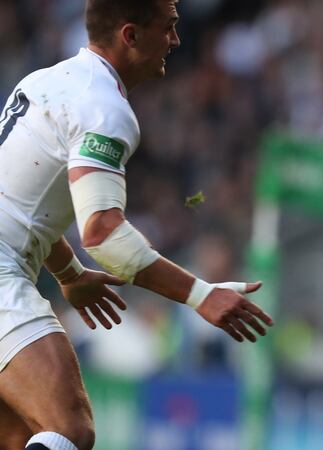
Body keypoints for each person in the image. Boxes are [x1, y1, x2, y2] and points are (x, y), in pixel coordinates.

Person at [0, 1, 273, 449]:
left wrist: (70, 274)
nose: (176, 40)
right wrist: (200, 295)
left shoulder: (45, 80)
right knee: (69, 429)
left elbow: (19, 208)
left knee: (19, 435)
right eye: (168, 27)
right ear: (130, 35)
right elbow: (103, 235)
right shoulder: (103, 108)